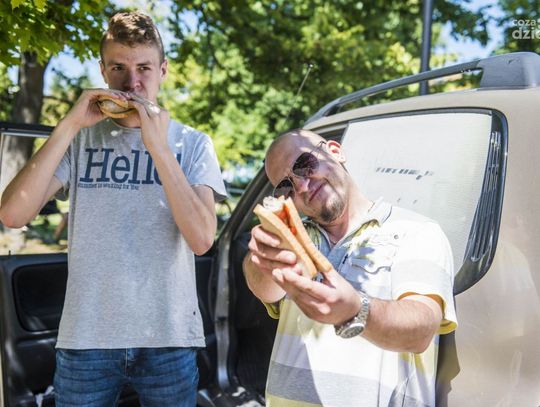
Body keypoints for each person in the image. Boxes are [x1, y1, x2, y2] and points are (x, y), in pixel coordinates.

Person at [0, 11, 226, 406]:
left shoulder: (192, 143)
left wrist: (157, 147)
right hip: (86, 338)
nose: (132, 82)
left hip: (168, 339)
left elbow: (202, 239)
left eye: (144, 68)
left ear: (163, 70)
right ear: (103, 71)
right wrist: (68, 125)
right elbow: (12, 214)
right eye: (119, 67)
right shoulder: (80, 141)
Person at [243, 129, 457, 407]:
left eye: (304, 164)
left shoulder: (416, 231)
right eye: (286, 187)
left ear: (335, 151)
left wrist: (356, 311)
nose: (302, 186)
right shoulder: (293, 239)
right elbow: (263, 288)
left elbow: (420, 331)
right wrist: (263, 253)